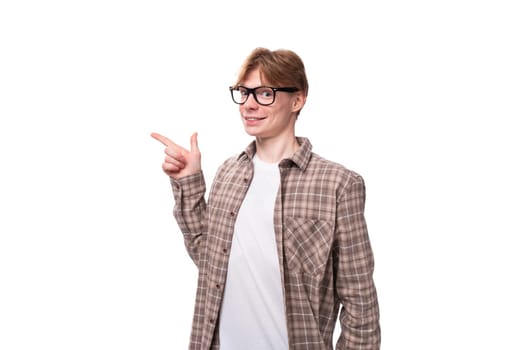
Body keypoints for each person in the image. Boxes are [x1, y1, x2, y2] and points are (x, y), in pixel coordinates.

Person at [151, 47, 380, 350]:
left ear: (297, 99)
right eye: (243, 93)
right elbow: (211, 261)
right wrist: (188, 182)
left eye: (265, 93)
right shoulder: (229, 173)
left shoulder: (338, 184)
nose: (249, 104)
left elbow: (359, 302)